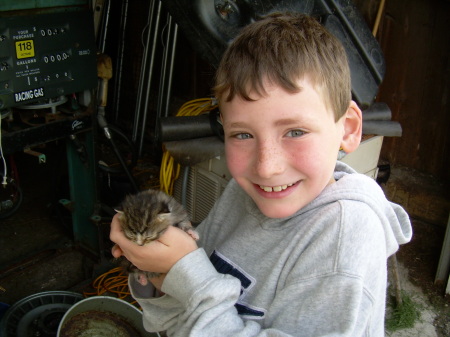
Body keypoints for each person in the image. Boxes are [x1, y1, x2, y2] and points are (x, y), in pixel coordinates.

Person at [109, 12, 412, 336]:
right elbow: (180, 313)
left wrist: (185, 272)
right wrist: (155, 274)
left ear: (348, 129)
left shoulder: (344, 241)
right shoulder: (245, 193)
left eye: (295, 132)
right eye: (242, 135)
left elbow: (198, 286)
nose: (266, 167)